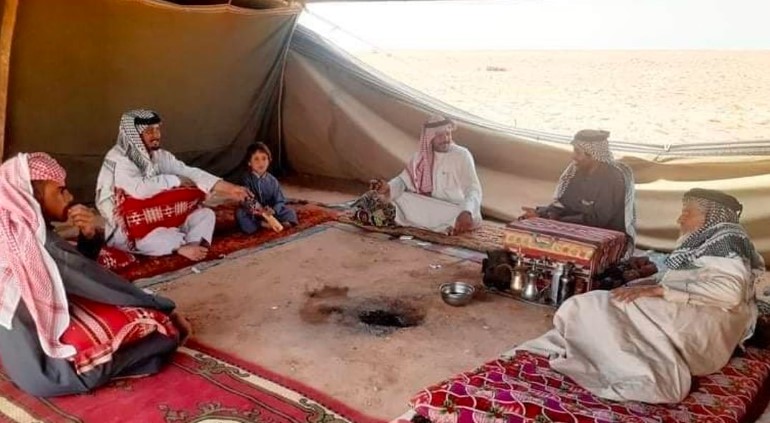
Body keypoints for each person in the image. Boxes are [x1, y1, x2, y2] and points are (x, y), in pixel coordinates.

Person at [513, 188, 763, 404]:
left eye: (688, 212)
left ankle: (634, 370)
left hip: (701, 330)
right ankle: (597, 343)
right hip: (700, 321)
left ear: (712, 216)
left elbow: (730, 292)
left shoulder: (726, 239)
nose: (680, 219)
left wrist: (659, 291)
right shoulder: (715, 240)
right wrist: (649, 284)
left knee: (592, 305)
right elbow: (695, 278)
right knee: (604, 303)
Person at [0, 152, 191, 397]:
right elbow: (97, 282)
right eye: (60, 191)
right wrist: (164, 307)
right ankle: (153, 347)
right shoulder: (42, 245)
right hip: (47, 373)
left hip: (24, 348)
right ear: (31, 196)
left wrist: (89, 236)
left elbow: (71, 275)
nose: (70, 197)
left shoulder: (13, 227)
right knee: (161, 330)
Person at [96, 109, 252, 261]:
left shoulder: (160, 156)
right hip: (131, 230)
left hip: (162, 218)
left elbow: (190, 173)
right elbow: (140, 190)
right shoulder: (119, 159)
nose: (156, 135)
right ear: (133, 134)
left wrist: (231, 188)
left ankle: (192, 246)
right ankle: (180, 247)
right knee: (157, 238)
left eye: (157, 129)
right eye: (149, 131)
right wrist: (174, 180)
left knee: (205, 215)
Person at [521, 129, 636, 252]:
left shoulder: (612, 178)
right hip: (578, 229)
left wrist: (554, 221)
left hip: (606, 238)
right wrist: (541, 214)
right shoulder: (578, 172)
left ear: (592, 155)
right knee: (526, 232)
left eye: (577, 152)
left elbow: (598, 220)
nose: (573, 156)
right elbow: (564, 203)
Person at [368, 115, 482, 235]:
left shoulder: (462, 155)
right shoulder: (420, 157)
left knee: (464, 213)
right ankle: (445, 226)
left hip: (455, 209)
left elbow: (473, 189)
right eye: (440, 135)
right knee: (398, 197)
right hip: (429, 205)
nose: (446, 139)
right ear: (430, 137)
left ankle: (449, 223)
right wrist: (388, 187)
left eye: (448, 134)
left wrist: (467, 211)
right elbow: (403, 181)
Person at [236, 142, 297, 234]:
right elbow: (246, 199)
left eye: (264, 158)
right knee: (241, 214)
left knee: (290, 212)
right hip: (254, 212)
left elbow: (280, 200)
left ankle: (280, 223)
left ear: (269, 160)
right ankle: (262, 224)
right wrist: (259, 210)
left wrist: (274, 210)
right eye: (256, 159)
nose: (261, 163)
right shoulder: (246, 179)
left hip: (270, 212)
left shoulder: (273, 181)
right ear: (249, 162)